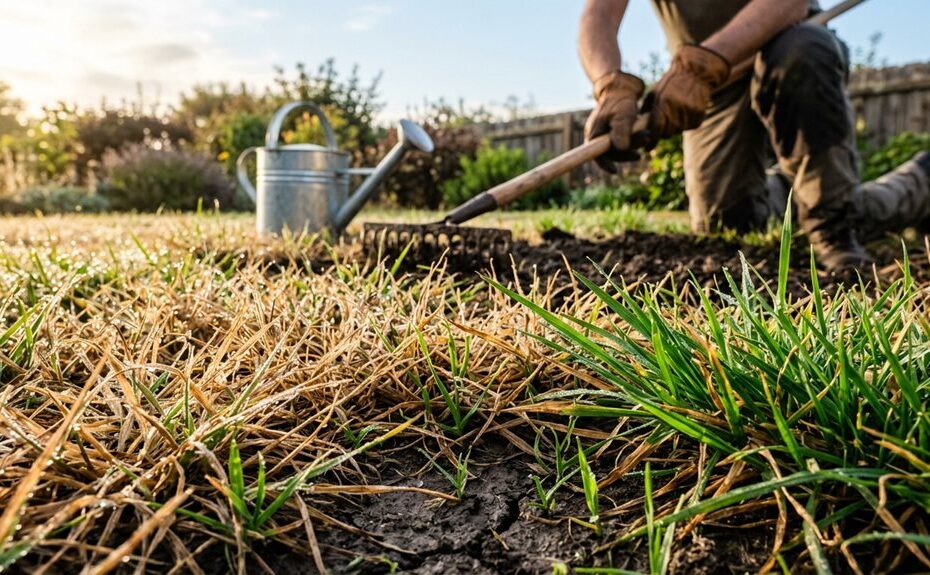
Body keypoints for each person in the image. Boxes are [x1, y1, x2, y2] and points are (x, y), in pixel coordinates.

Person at [579, 0, 930, 272]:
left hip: (788, 47)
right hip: (707, 87)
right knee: (726, 222)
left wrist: (702, 65)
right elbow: (599, 14)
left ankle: (834, 225)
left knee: (803, 50)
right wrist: (609, 85)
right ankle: (898, 183)